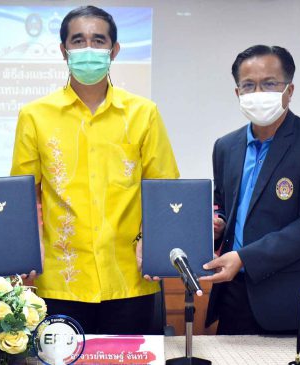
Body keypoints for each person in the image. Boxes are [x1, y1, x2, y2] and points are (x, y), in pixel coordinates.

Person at [11, 6, 179, 335]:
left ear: (113, 50)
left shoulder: (143, 113)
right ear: (63, 51)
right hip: (61, 281)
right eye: (78, 40)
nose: (88, 49)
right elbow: (23, 194)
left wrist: (153, 243)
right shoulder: (34, 116)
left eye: (98, 40)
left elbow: (165, 189)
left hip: (130, 279)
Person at [200, 45, 300, 335]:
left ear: (289, 91)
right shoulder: (225, 146)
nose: (258, 92)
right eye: (248, 85)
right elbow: (224, 206)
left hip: (290, 300)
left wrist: (245, 258)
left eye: (269, 83)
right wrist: (218, 224)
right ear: (238, 94)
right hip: (232, 295)